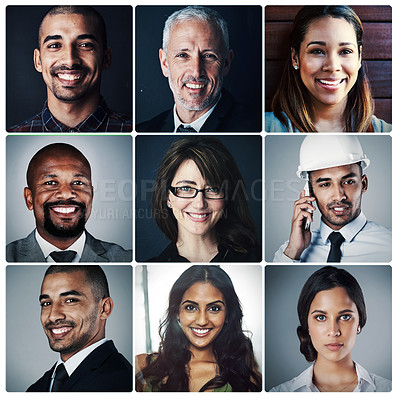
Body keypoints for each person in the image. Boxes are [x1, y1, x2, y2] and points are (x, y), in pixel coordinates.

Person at [265, 5, 391, 132]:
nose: (332, 67)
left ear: (359, 57)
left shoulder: (387, 134)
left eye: (345, 51)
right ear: (295, 58)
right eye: (317, 51)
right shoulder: (264, 128)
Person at [135, 265, 262, 392]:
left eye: (214, 308)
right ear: (177, 312)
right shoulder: (140, 367)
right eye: (191, 307)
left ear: (227, 315)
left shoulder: (247, 382)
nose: (202, 321)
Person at [136, 6, 260, 132]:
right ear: (164, 63)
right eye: (183, 55)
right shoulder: (144, 130)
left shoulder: (255, 127)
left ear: (226, 63)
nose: (196, 71)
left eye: (208, 56)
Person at [8, 6, 131, 132]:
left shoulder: (129, 129)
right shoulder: (14, 134)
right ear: (38, 61)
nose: (70, 61)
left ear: (106, 58)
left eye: (85, 45)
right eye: (55, 45)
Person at [271, 266, 391, 392]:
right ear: (307, 326)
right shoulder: (278, 393)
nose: (334, 332)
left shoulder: (388, 390)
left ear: (359, 323)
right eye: (321, 317)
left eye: (345, 317)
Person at [273, 135, 391, 262]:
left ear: (364, 184)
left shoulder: (391, 245)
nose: (339, 196)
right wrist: (294, 251)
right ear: (310, 192)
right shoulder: (288, 252)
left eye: (349, 182)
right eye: (325, 184)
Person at [6, 143, 131, 262]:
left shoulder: (125, 258)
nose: (66, 193)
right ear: (29, 199)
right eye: (50, 183)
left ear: (91, 195)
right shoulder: (6, 256)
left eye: (78, 183)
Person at [148, 136, 261, 262]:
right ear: (167, 197)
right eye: (186, 188)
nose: (199, 204)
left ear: (227, 196)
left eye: (212, 189)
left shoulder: (256, 257)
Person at [27, 265, 132, 392]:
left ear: (104, 308)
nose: (53, 316)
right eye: (46, 303)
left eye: (70, 300)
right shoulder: (36, 388)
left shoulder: (122, 383)